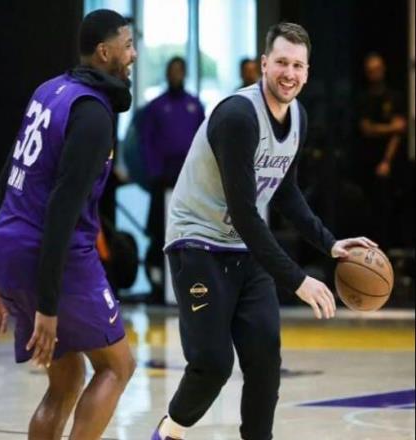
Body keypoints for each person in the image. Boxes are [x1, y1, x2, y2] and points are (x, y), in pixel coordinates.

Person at [151, 23, 377, 440]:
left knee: (264, 360)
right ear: (263, 65)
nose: (289, 73)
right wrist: (297, 279)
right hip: (197, 242)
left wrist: (330, 245)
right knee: (213, 365)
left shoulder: (298, 117)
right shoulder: (238, 117)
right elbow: (243, 212)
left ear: (307, 71)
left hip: (244, 247)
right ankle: (169, 431)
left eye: (297, 65)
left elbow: (285, 192)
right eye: (281, 63)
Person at [0, 9, 137, 440]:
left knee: (66, 381)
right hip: (57, 257)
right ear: (104, 52)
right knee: (118, 366)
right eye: (127, 46)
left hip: (12, 249)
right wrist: (48, 307)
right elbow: (62, 211)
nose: (133, 54)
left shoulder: (48, 91)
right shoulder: (93, 114)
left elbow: (7, 178)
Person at [142, 56, 205, 302]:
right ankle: (157, 283)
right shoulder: (156, 107)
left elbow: (203, 141)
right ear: (167, 74)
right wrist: (154, 171)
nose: (176, 74)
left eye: (180, 70)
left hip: (188, 180)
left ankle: (190, 285)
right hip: (163, 179)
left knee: (189, 232)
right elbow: (146, 141)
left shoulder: (194, 105)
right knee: (159, 230)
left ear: (185, 73)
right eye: (172, 70)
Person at [357, 52, 407, 249]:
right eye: (370, 70)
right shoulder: (364, 98)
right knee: (369, 209)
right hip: (367, 160)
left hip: (389, 161)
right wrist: (390, 127)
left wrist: (386, 160)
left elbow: (400, 130)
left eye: (377, 69)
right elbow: (366, 129)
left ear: (383, 69)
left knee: (391, 207)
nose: (374, 73)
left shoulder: (394, 97)